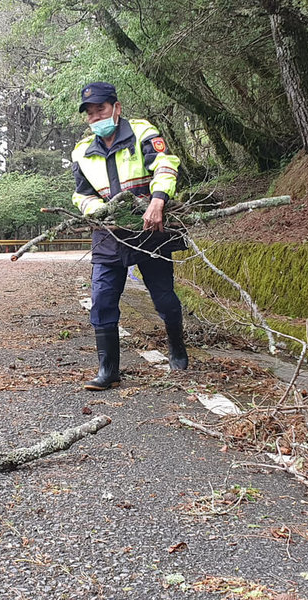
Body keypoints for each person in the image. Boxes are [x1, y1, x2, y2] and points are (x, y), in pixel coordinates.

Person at [71, 81, 188, 391]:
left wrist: (158, 199)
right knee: (102, 300)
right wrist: (98, 210)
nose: (96, 117)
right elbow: (81, 195)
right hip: (109, 234)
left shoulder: (142, 132)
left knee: (164, 297)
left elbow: (165, 164)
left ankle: (177, 347)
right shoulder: (82, 152)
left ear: (116, 108)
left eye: (101, 110)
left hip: (150, 229)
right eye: (91, 114)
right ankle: (108, 370)